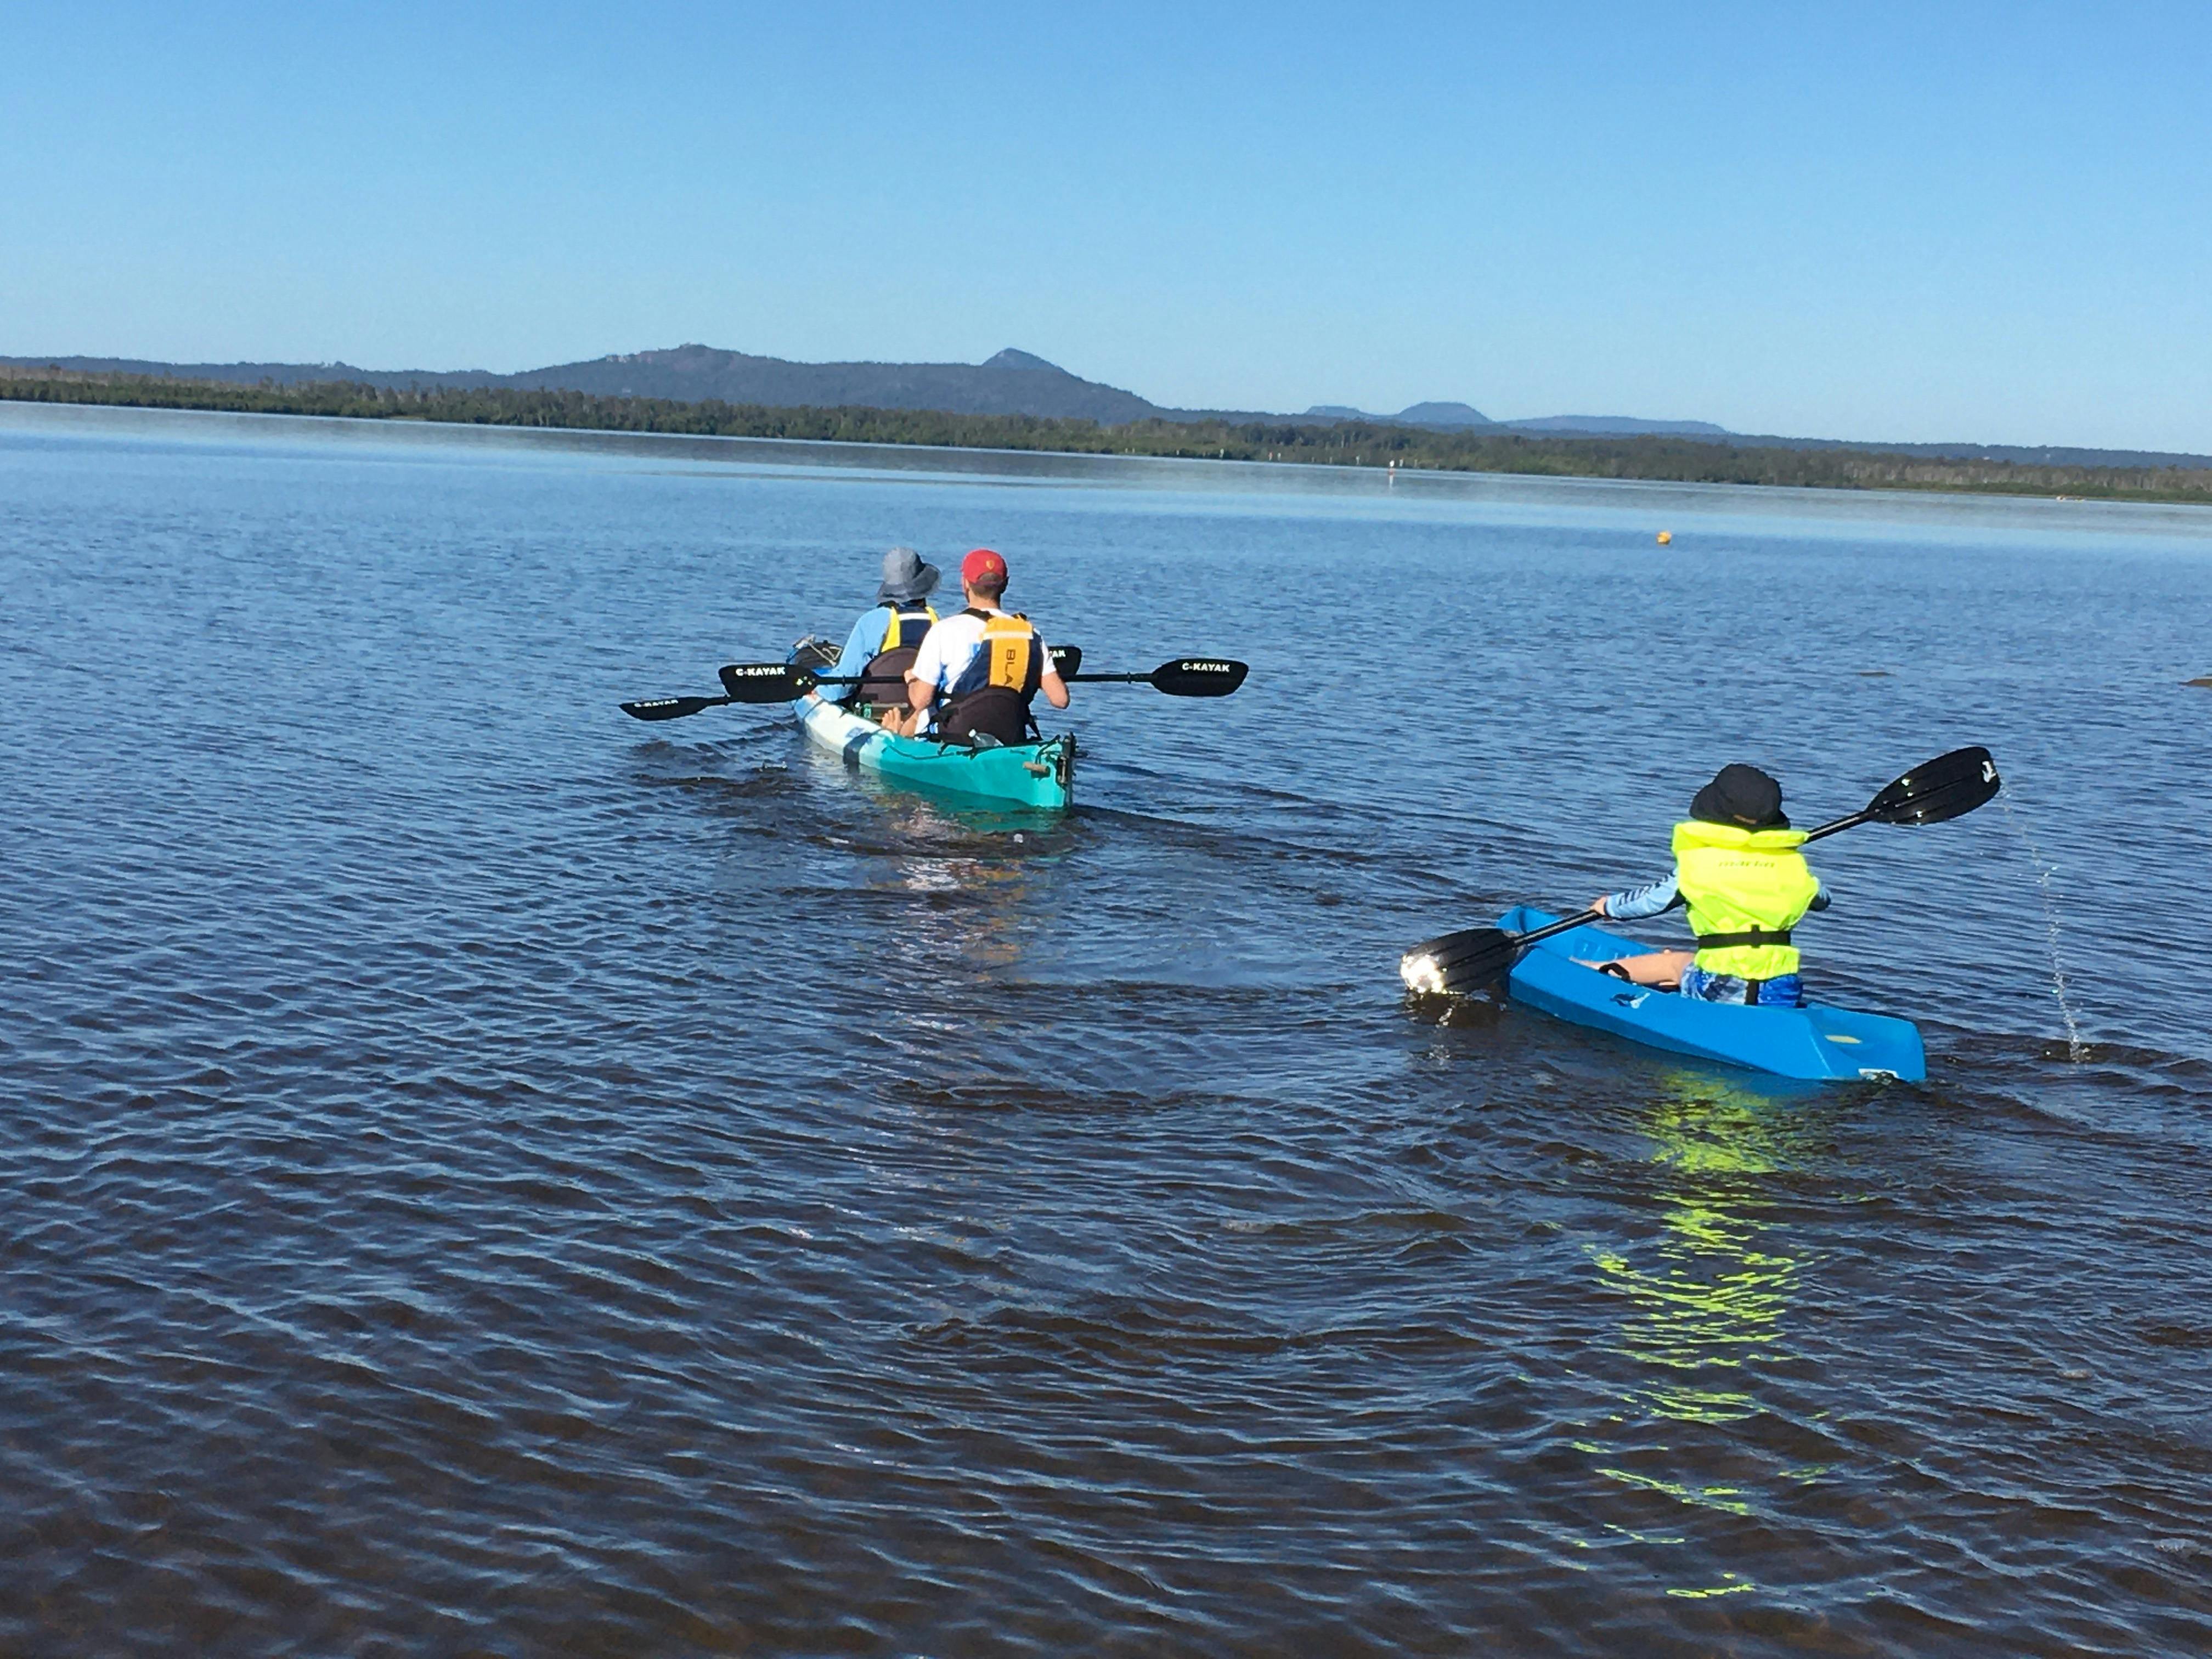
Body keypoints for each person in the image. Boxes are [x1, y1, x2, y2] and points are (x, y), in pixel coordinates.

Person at [1582, 763, 1832, 1006]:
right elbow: (1822, 899)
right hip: (1781, 990)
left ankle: (1589, 970)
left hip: (1720, 987)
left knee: (1673, 964)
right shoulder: (1792, 867)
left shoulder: (1699, 865)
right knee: (1694, 963)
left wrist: (1609, 907)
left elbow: (1650, 902)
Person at [905, 548, 1071, 745]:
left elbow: (921, 700)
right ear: (1006, 584)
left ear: (965, 584)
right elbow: (1060, 700)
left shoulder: (943, 630)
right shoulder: (1031, 634)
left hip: (952, 739)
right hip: (1011, 737)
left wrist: (912, 680)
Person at [819, 546, 942, 733]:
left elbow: (841, 689)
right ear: (923, 585)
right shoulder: (939, 622)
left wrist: (816, 690)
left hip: (876, 714)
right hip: (921, 713)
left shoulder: (872, 621)